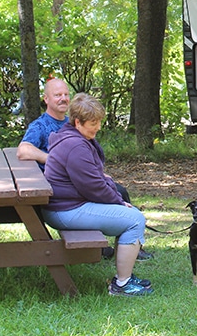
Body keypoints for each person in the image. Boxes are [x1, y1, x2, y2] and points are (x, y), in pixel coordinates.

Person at [18, 79, 152, 260]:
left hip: (74, 184)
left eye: (66, 94)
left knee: (119, 191)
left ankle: (129, 246)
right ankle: (118, 248)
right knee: (115, 197)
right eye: (58, 95)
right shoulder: (40, 125)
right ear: (46, 99)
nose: (63, 99)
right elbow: (23, 150)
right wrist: (56, 160)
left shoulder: (70, 122)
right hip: (61, 193)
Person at [42, 93, 154, 297]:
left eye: (99, 121)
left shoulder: (72, 137)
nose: (98, 127)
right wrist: (118, 201)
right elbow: (93, 187)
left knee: (131, 216)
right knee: (135, 219)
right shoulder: (75, 145)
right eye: (93, 123)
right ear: (78, 122)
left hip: (64, 206)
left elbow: (94, 178)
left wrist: (115, 196)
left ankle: (125, 277)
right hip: (66, 210)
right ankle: (122, 285)